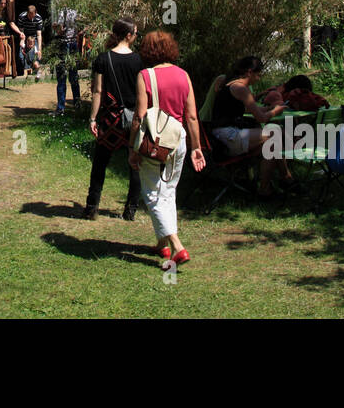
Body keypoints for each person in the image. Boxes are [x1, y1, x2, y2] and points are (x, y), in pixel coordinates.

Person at [128, 30, 205, 268]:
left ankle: (177, 245)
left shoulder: (145, 75)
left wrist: (132, 147)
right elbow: (192, 116)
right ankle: (162, 243)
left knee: (152, 193)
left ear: (147, 52)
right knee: (168, 190)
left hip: (155, 142)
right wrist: (197, 147)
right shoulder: (184, 75)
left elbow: (139, 117)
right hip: (178, 139)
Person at [208, 56, 301, 198]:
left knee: (272, 144)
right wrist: (275, 111)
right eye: (258, 74)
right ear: (250, 72)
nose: (259, 78)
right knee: (276, 133)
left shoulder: (231, 84)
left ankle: (275, 184)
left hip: (220, 135)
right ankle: (282, 180)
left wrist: (270, 108)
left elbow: (249, 110)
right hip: (227, 137)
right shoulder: (240, 88)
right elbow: (261, 118)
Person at [84, 18, 142, 220]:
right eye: (135, 33)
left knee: (100, 162)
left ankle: (92, 207)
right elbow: (142, 93)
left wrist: (93, 118)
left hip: (111, 118)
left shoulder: (103, 59)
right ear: (128, 35)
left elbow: (98, 91)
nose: (136, 36)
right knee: (134, 162)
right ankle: (130, 210)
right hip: (134, 118)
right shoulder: (138, 61)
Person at [53, 7, 83, 112]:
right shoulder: (72, 10)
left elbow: (59, 30)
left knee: (66, 77)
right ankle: (75, 105)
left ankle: (62, 107)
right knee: (71, 76)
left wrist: (57, 28)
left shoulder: (65, 11)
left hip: (67, 44)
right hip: (69, 43)